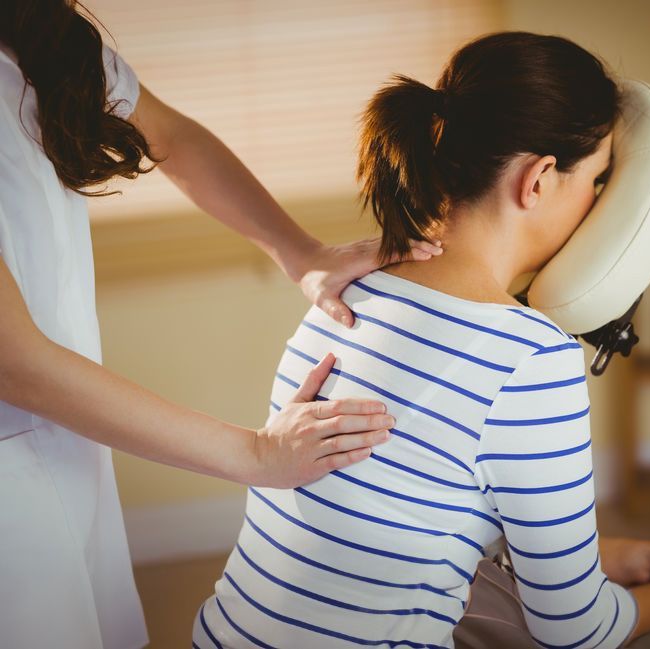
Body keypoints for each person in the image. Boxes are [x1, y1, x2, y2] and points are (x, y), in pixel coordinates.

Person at [193, 31, 650, 649]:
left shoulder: (347, 292)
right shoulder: (531, 358)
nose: (598, 205)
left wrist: (607, 557)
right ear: (538, 180)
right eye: (596, 183)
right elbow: (575, 632)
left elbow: (414, 514)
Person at [0, 2, 442, 648]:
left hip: (71, 451)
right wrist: (256, 454)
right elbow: (16, 363)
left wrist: (300, 252)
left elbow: (174, 138)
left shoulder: (41, 37)